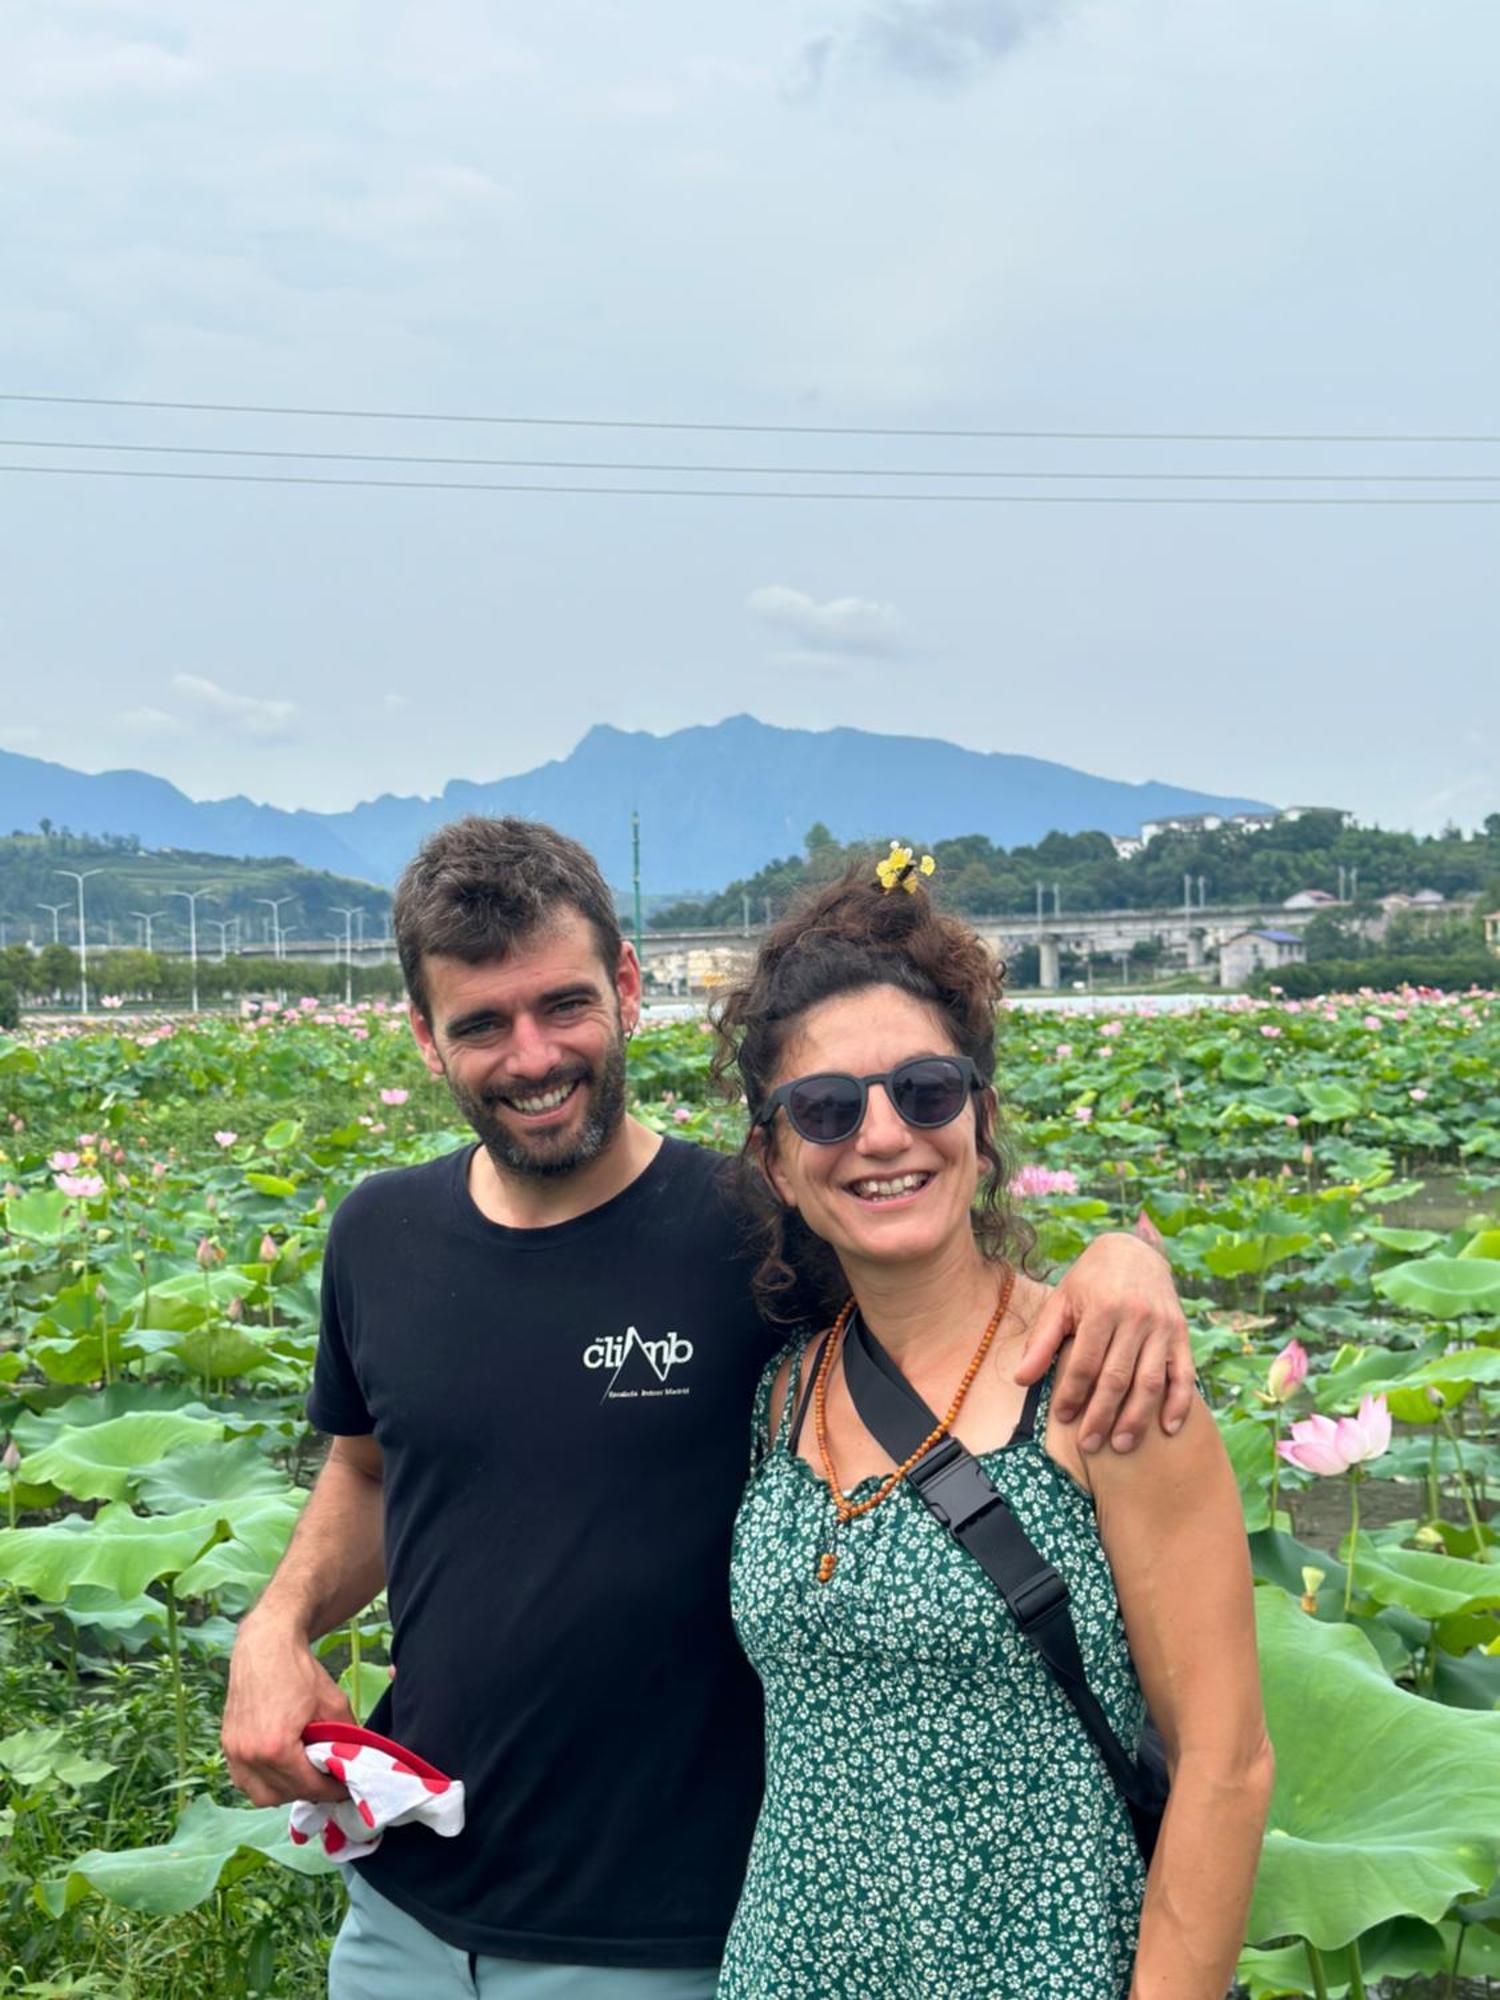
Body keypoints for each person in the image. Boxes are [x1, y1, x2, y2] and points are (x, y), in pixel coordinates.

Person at [221, 816, 1200, 1999]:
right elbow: (371, 1472)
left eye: (563, 1004)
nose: (532, 1055)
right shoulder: (378, 1232)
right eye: (482, 1022)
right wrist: (275, 1626)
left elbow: (932, 1241)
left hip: (670, 1937)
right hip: (404, 1913)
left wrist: (1118, 1262)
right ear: (428, 1037)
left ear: (629, 985)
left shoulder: (762, 1230)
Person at [711, 858, 1271, 2000]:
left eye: (924, 1089)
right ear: (773, 1154)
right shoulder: (780, 1392)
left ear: (978, 1113)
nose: (881, 1134)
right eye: (824, 1106)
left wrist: (1126, 1251)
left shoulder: (1102, 1388)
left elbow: (1225, 1765)